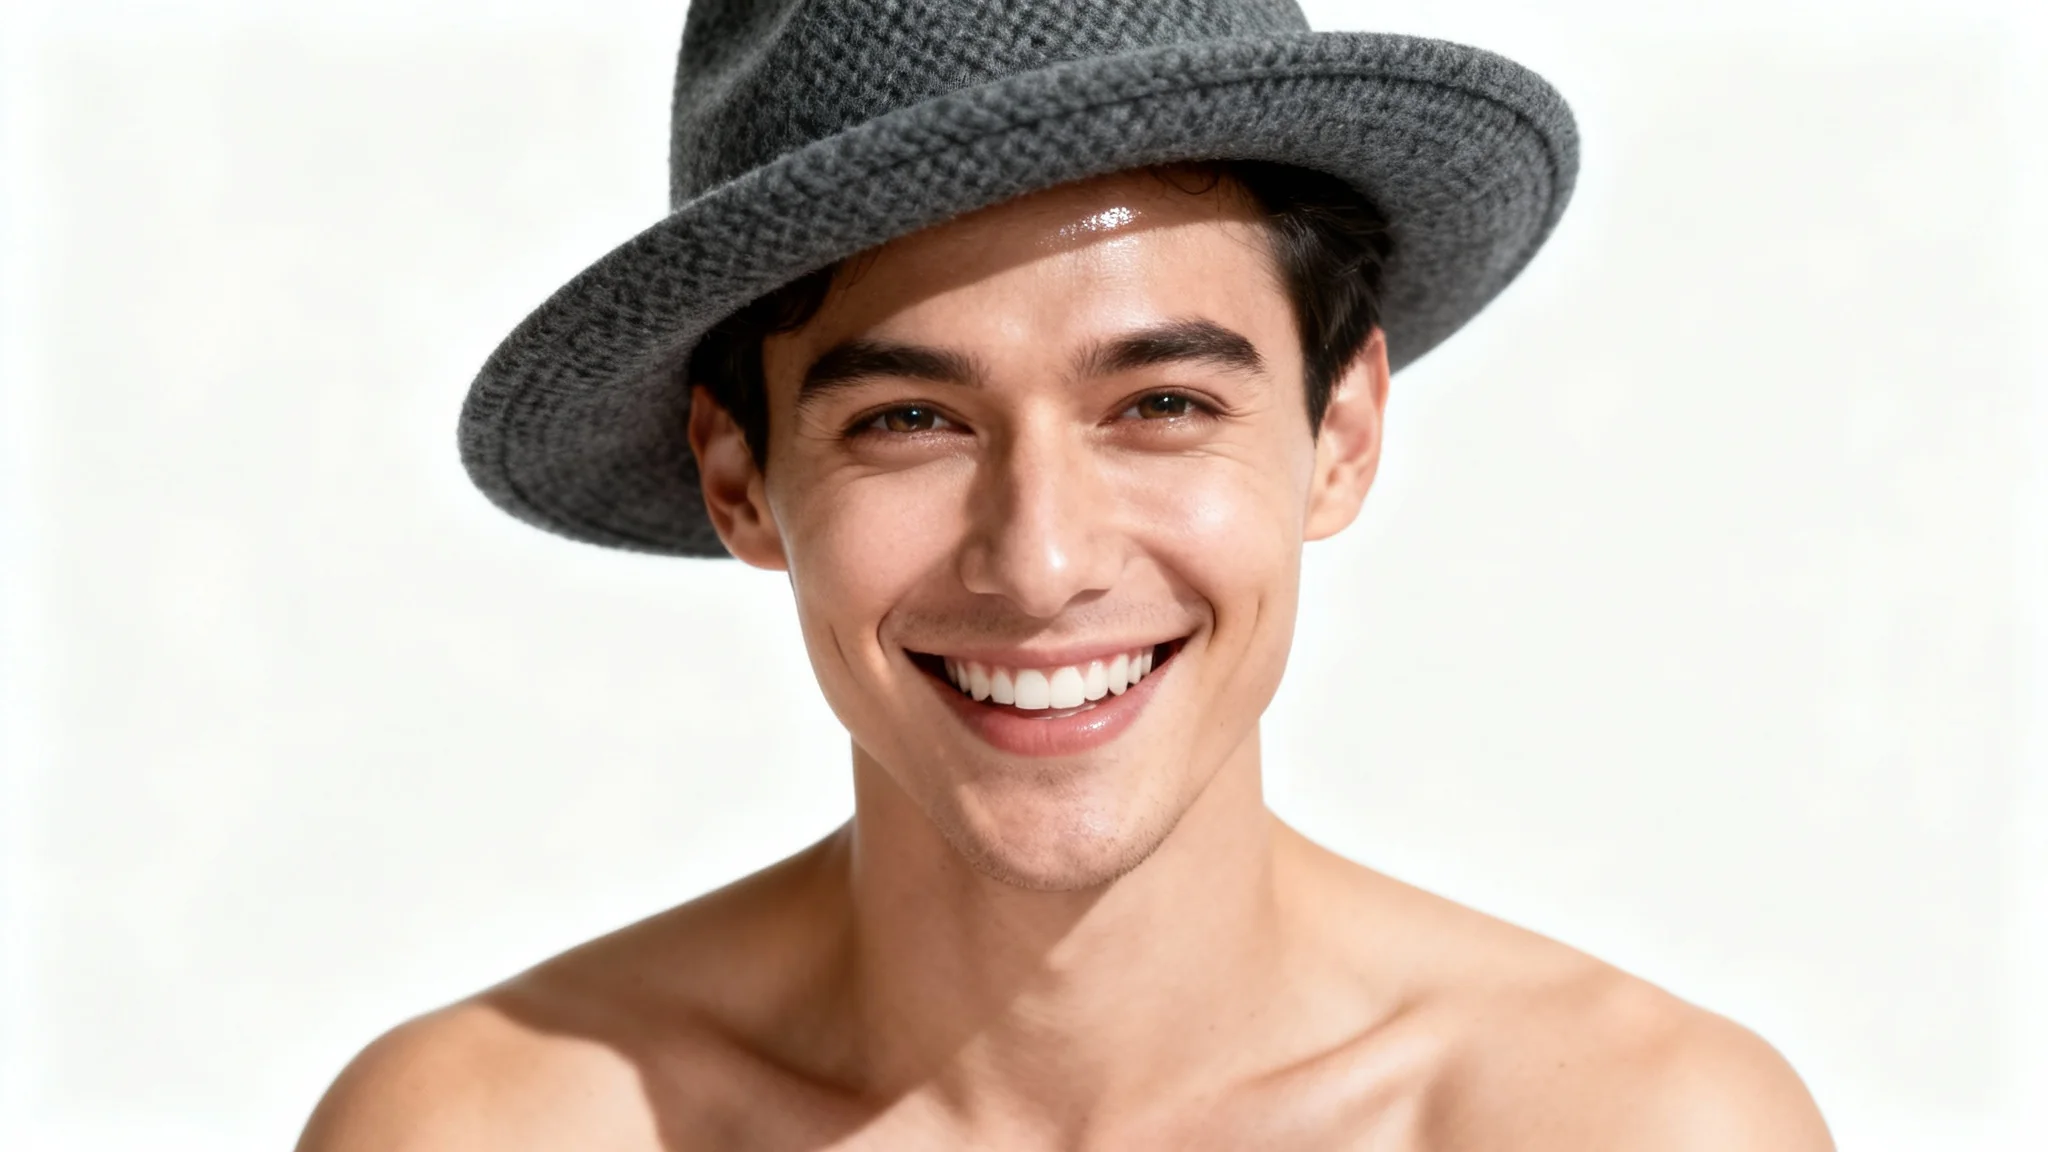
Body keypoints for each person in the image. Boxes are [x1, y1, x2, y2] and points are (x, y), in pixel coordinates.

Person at [299, 1, 1835, 1147]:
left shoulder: (1627, 1127)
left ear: (1342, 433)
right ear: (740, 478)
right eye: (910, 421)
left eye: (1160, 407)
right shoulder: (494, 1131)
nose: (1039, 563)